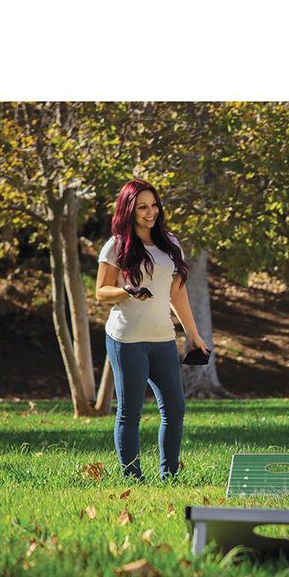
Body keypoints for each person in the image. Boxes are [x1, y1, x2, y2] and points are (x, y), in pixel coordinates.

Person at [96, 179, 208, 480]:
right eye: (142, 207)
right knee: (130, 412)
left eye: (154, 205)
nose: (151, 212)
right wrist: (127, 291)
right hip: (127, 339)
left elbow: (177, 293)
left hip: (163, 338)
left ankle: (169, 475)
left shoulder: (170, 244)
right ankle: (132, 477)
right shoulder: (116, 246)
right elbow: (101, 292)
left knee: (175, 409)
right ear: (128, 210)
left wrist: (193, 334)